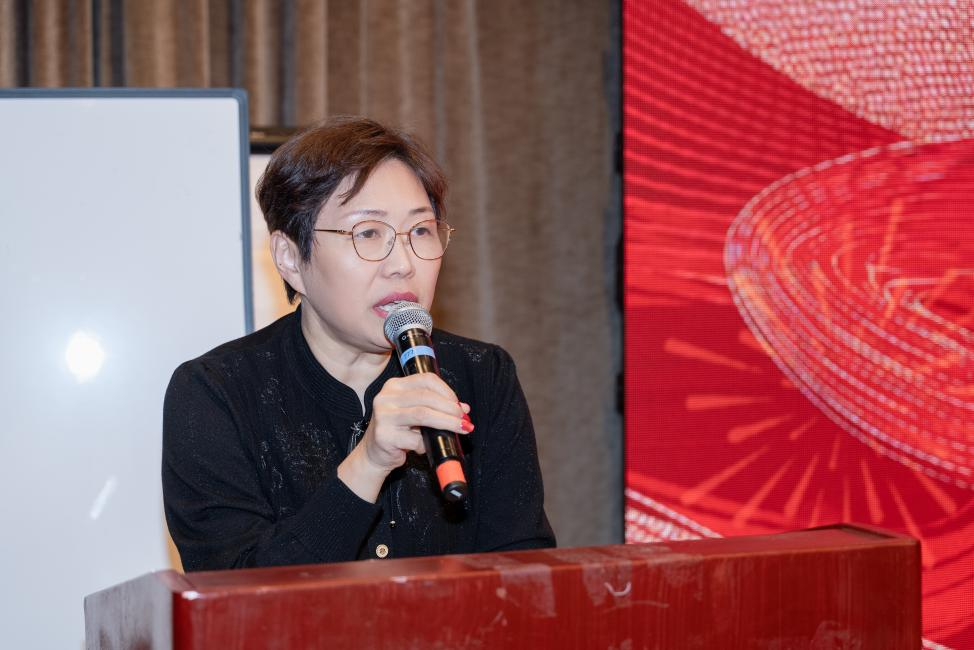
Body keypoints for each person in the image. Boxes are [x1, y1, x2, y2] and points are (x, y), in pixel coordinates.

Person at [162, 116, 555, 571]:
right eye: (368, 233)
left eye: (421, 231)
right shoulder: (216, 393)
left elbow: (526, 575)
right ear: (290, 258)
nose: (403, 264)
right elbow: (233, 596)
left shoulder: (482, 375)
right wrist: (368, 463)